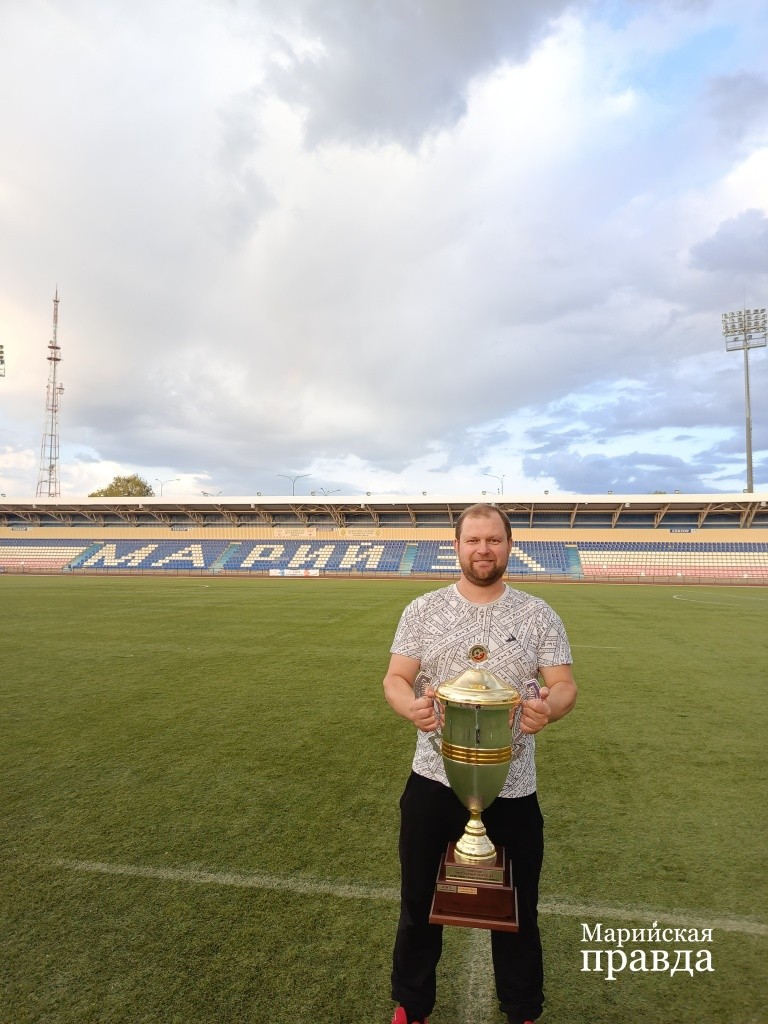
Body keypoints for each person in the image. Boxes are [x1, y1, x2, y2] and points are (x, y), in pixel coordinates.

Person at [383, 503, 577, 1024]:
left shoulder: (538, 614)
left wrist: (548, 710)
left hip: (511, 787)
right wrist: (412, 706)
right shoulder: (422, 610)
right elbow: (396, 678)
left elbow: (564, 685)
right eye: (473, 541)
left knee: (517, 910)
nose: (483, 550)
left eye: (493, 540)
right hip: (433, 779)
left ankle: (522, 1010)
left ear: (509, 546)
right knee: (419, 903)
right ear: (457, 546)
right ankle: (412, 1006)